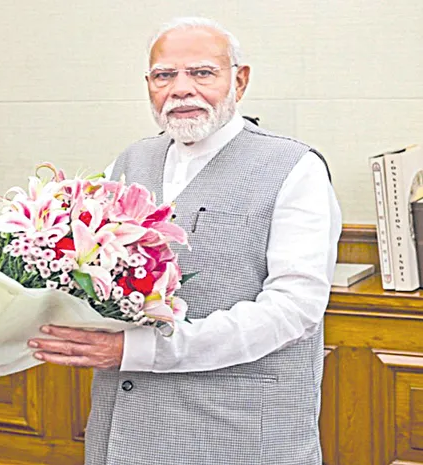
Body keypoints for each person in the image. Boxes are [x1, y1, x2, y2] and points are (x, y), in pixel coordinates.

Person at [28, 17, 342, 465]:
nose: (180, 89)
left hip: (239, 430)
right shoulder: (130, 161)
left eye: (201, 73)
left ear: (240, 80)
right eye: (164, 76)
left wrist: (142, 349)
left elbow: (295, 310)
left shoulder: (294, 166)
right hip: (125, 427)